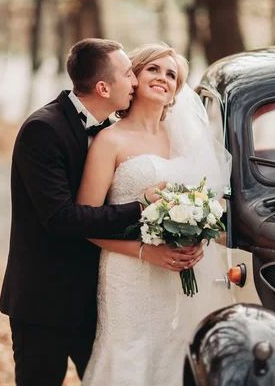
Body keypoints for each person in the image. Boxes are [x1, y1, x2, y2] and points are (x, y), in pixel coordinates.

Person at [0, 38, 204, 386]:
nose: (137, 82)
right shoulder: (45, 129)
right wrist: (144, 209)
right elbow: (62, 217)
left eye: (171, 75)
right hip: (46, 297)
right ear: (104, 86)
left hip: (97, 294)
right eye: (132, 74)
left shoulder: (102, 129)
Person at [78, 42, 233, 386]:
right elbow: (85, 221)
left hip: (173, 277)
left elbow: (210, 207)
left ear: (176, 90)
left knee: (170, 351)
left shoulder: (184, 143)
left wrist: (198, 242)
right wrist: (146, 251)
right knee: (129, 354)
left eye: (171, 74)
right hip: (127, 274)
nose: (163, 77)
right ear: (133, 76)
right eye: (153, 69)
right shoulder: (109, 141)